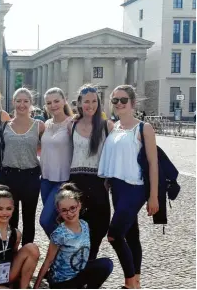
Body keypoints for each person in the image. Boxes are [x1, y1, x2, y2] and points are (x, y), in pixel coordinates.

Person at [98, 85, 159, 289]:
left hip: (135, 188)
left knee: (114, 235)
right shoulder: (112, 127)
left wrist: (154, 196)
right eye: (115, 100)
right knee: (132, 233)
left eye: (123, 100)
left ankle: (130, 282)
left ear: (133, 103)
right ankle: (137, 282)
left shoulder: (144, 128)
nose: (119, 104)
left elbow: (153, 164)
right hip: (117, 187)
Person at [33, 183, 113, 289]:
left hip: (78, 274)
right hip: (62, 282)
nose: (69, 213)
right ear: (59, 211)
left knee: (106, 264)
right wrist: (36, 286)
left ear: (79, 205)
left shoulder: (85, 225)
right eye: (64, 210)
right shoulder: (59, 234)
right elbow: (48, 261)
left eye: (72, 208)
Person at [68, 84, 114, 261]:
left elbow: (113, 154)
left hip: (97, 181)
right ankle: (75, 264)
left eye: (94, 101)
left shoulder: (106, 126)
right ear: (79, 103)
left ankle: (91, 261)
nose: (90, 105)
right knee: (77, 225)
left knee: (99, 225)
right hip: (76, 182)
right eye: (86, 101)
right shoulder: (71, 125)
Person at [0, 185, 40, 289]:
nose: (4, 213)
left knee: (32, 249)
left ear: (13, 209)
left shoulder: (16, 233)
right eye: (0, 209)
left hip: (6, 276)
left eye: (8, 209)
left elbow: (12, 256)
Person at [2, 88, 44, 245]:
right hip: (9, 175)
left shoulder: (39, 126)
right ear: (13, 102)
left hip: (30, 176)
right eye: (18, 101)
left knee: (29, 217)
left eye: (26, 101)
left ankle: (27, 251)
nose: (22, 104)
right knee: (10, 217)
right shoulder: (5, 126)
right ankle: (11, 251)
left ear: (31, 103)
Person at [39, 87, 73, 237]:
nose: (53, 105)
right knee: (55, 219)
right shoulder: (46, 124)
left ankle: (66, 249)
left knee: (45, 220)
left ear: (64, 100)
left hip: (63, 179)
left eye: (56, 101)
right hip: (45, 179)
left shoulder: (72, 123)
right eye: (49, 103)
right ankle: (60, 255)